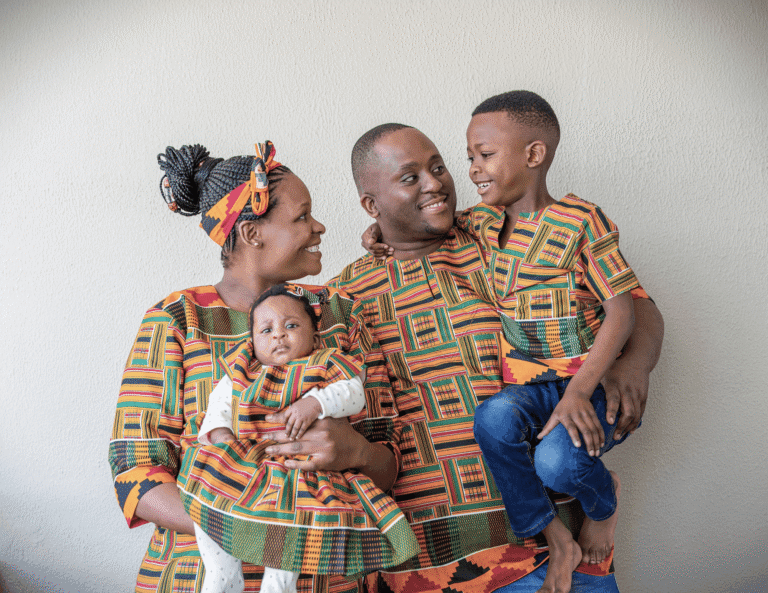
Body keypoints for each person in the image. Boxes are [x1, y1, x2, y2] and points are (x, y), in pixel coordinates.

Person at [334, 123, 663, 593]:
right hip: (427, 561)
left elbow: (635, 304)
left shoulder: (495, 233)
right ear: (372, 205)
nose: (435, 183)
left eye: (438, 167)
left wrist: (633, 366)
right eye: (410, 178)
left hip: (555, 549)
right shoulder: (344, 298)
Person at [109, 141, 400, 593]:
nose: (319, 226)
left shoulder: (342, 314)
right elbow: (134, 472)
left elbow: (390, 460)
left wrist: (356, 452)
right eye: (302, 216)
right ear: (251, 233)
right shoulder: (178, 320)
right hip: (196, 578)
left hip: (329, 580)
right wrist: (248, 520)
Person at [462, 90, 642, 593]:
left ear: (534, 154)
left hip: (589, 385)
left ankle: (603, 503)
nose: (474, 168)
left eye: (485, 154)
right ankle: (554, 537)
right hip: (530, 388)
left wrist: (580, 391)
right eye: (470, 156)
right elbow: (427, 222)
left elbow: (622, 310)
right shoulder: (482, 223)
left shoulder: (581, 219)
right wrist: (377, 233)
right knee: (492, 420)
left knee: (558, 464)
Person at [184, 283, 418, 593]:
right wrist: (221, 435)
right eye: (266, 330)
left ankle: (279, 585)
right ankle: (222, 573)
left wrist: (317, 403)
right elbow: (219, 405)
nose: (278, 335)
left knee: (293, 523)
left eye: (291, 326)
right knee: (206, 498)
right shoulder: (242, 373)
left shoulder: (324, 363)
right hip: (246, 465)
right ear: (252, 343)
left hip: (298, 471)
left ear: (316, 338)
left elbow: (353, 394)